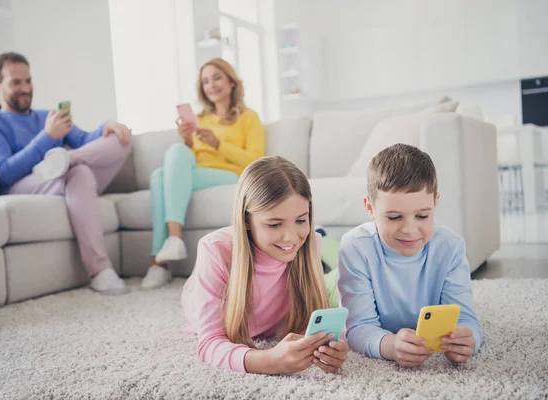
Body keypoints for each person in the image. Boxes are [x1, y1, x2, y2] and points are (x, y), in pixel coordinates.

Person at [0, 52, 132, 295]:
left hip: (63, 175)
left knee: (121, 140)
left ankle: (67, 159)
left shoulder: (46, 115)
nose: (26, 88)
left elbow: (84, 140)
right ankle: (100, 271)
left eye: (28, 80)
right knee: (78, 173)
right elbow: (6, 171)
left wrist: (106, 127)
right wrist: (48, 137)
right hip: (24, 185)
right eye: (16, 82)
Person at [181, 156, 349, 374]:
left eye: (300, 220)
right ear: (246, 220)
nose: (290, 238)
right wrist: (268, 360)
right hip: (205, 301)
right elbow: (210, 343)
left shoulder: (311, 243)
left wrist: (327, 348)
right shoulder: (215, 250)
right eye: (275, 224)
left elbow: (307, 322)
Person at [338, 144, 484, 367]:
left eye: (422, 216)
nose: (409, 230)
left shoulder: (451, 246)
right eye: (394, 217)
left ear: (435, 202)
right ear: (370, 208)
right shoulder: (355, 247)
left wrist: (469, 339)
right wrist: (390, 345)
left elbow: (465, 319)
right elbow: (357, 327)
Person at [141, 58, 265, 290]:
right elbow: (188, 161)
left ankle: (159, 261)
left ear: (231, 82)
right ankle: (167, 251)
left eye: (217, 77)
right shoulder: (201, 120)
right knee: (161, 173)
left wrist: (219, 144)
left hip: (231, 175)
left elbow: (256, 160)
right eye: (205, 81)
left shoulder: (249, 117)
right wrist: (188, 140)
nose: (211, 85)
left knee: (161, 176)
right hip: (199, 174)